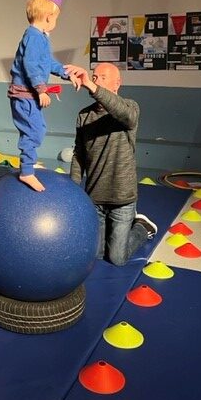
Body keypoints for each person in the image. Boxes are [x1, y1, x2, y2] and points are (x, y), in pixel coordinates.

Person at [70, 62, 157, 265]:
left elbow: (123, 114)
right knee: (96, 254)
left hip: (122, 199)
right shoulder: (84, 115)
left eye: (102, 77)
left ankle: (142, 227)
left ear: (117, 84)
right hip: (95, 198)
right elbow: (79, 154)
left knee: (117, 258)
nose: (95, 80)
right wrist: (72, 191)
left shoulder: (130, 108)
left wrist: (91, 86)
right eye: (94, 77)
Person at [8, 0, 81, 192]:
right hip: (25, 95)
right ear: (49, 17)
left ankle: (29, 164)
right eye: (56, 18)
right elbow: (30, 64)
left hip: (29, 95)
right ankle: (26, 171)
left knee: (38, 129)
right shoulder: (33, 36)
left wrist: (67, 73)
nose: (56, 22)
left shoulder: (40, 37)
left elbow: (47, 62)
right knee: (33, 131)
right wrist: (41, 89)